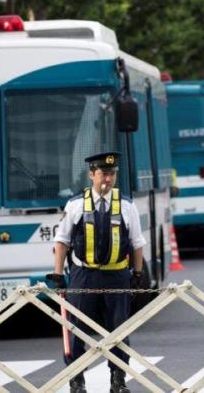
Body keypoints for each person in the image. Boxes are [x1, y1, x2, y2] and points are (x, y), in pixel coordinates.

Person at [48, 152, 148, 393]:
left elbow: (137, 242)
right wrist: (58, 274)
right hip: (84, 275)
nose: (108, 179)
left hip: (117, 276)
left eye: (112, 174)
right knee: (76, 329)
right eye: (103, 173)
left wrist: (137, 273)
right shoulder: (75, 204)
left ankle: (118, 379)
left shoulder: (126, 204)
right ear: (91, 175)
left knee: (119, 329)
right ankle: (76, 379)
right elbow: (62, 241)